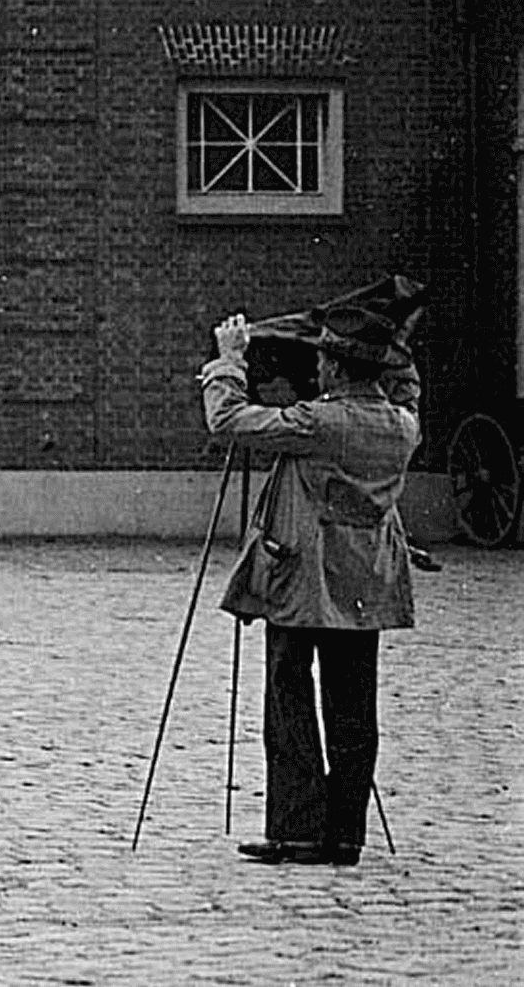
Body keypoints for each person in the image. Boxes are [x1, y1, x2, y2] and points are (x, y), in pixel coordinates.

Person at [196, 306, 417, 866]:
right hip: (366, 585)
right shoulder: (402, 425)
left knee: (288, 694)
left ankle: (296, 830)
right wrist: (397, 346)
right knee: (354, 708)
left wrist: (229, 362)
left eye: (323, 360)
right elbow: (407, 387)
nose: (316, 369)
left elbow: (229, 421)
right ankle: (345, 835)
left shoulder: (318, 423)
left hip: (301, 579)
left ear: (338, 370)